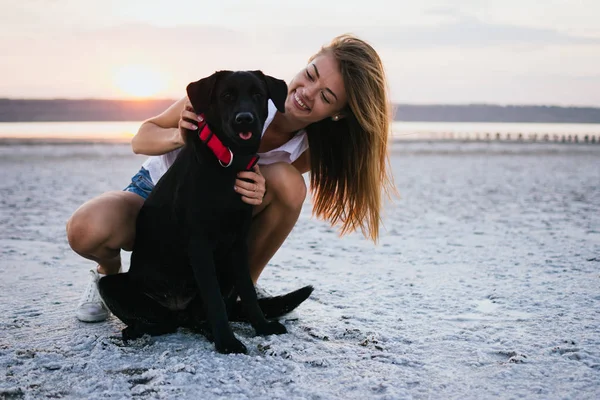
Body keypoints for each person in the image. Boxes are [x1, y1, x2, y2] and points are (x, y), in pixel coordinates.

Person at [67, 34, 395, 322]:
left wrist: (260, 187)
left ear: (337, 113)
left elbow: (270, 200)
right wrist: (181, 138)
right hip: (155, 200)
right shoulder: (232, 91)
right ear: (306, 64)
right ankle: (107, 275)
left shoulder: (309, 147)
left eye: (326, 97)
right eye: (310, 75)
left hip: (209, 220)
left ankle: (239, 288)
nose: (307, 93)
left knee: (289, 183)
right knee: (86, 229)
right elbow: (141, 137)